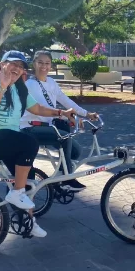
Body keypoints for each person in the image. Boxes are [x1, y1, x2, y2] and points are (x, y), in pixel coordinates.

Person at [0, 51, 77, 237]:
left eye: (21, 66)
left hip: (7, 141)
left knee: (27, 177)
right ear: (2, 65)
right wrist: (2, 86)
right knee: (29, 142)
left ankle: (28, 221)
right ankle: (16, 193)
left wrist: (61, 113)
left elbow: (37, 109)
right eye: (13, 64)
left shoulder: (19, 88)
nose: (17, 69)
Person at [21, 50, 99, 191]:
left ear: (51, 65)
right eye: (40, 63)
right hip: (30, 127)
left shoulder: (51, 82)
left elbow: (66, 101)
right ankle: (66, 179)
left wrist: (86, 114)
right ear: (34, 64)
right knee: (64, 137)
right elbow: (41, 109)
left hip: (47, 125)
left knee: (76, 152)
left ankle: (58, 179)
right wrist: (64, 115)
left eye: (47, 63)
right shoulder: (29, 85)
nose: (44, 66)